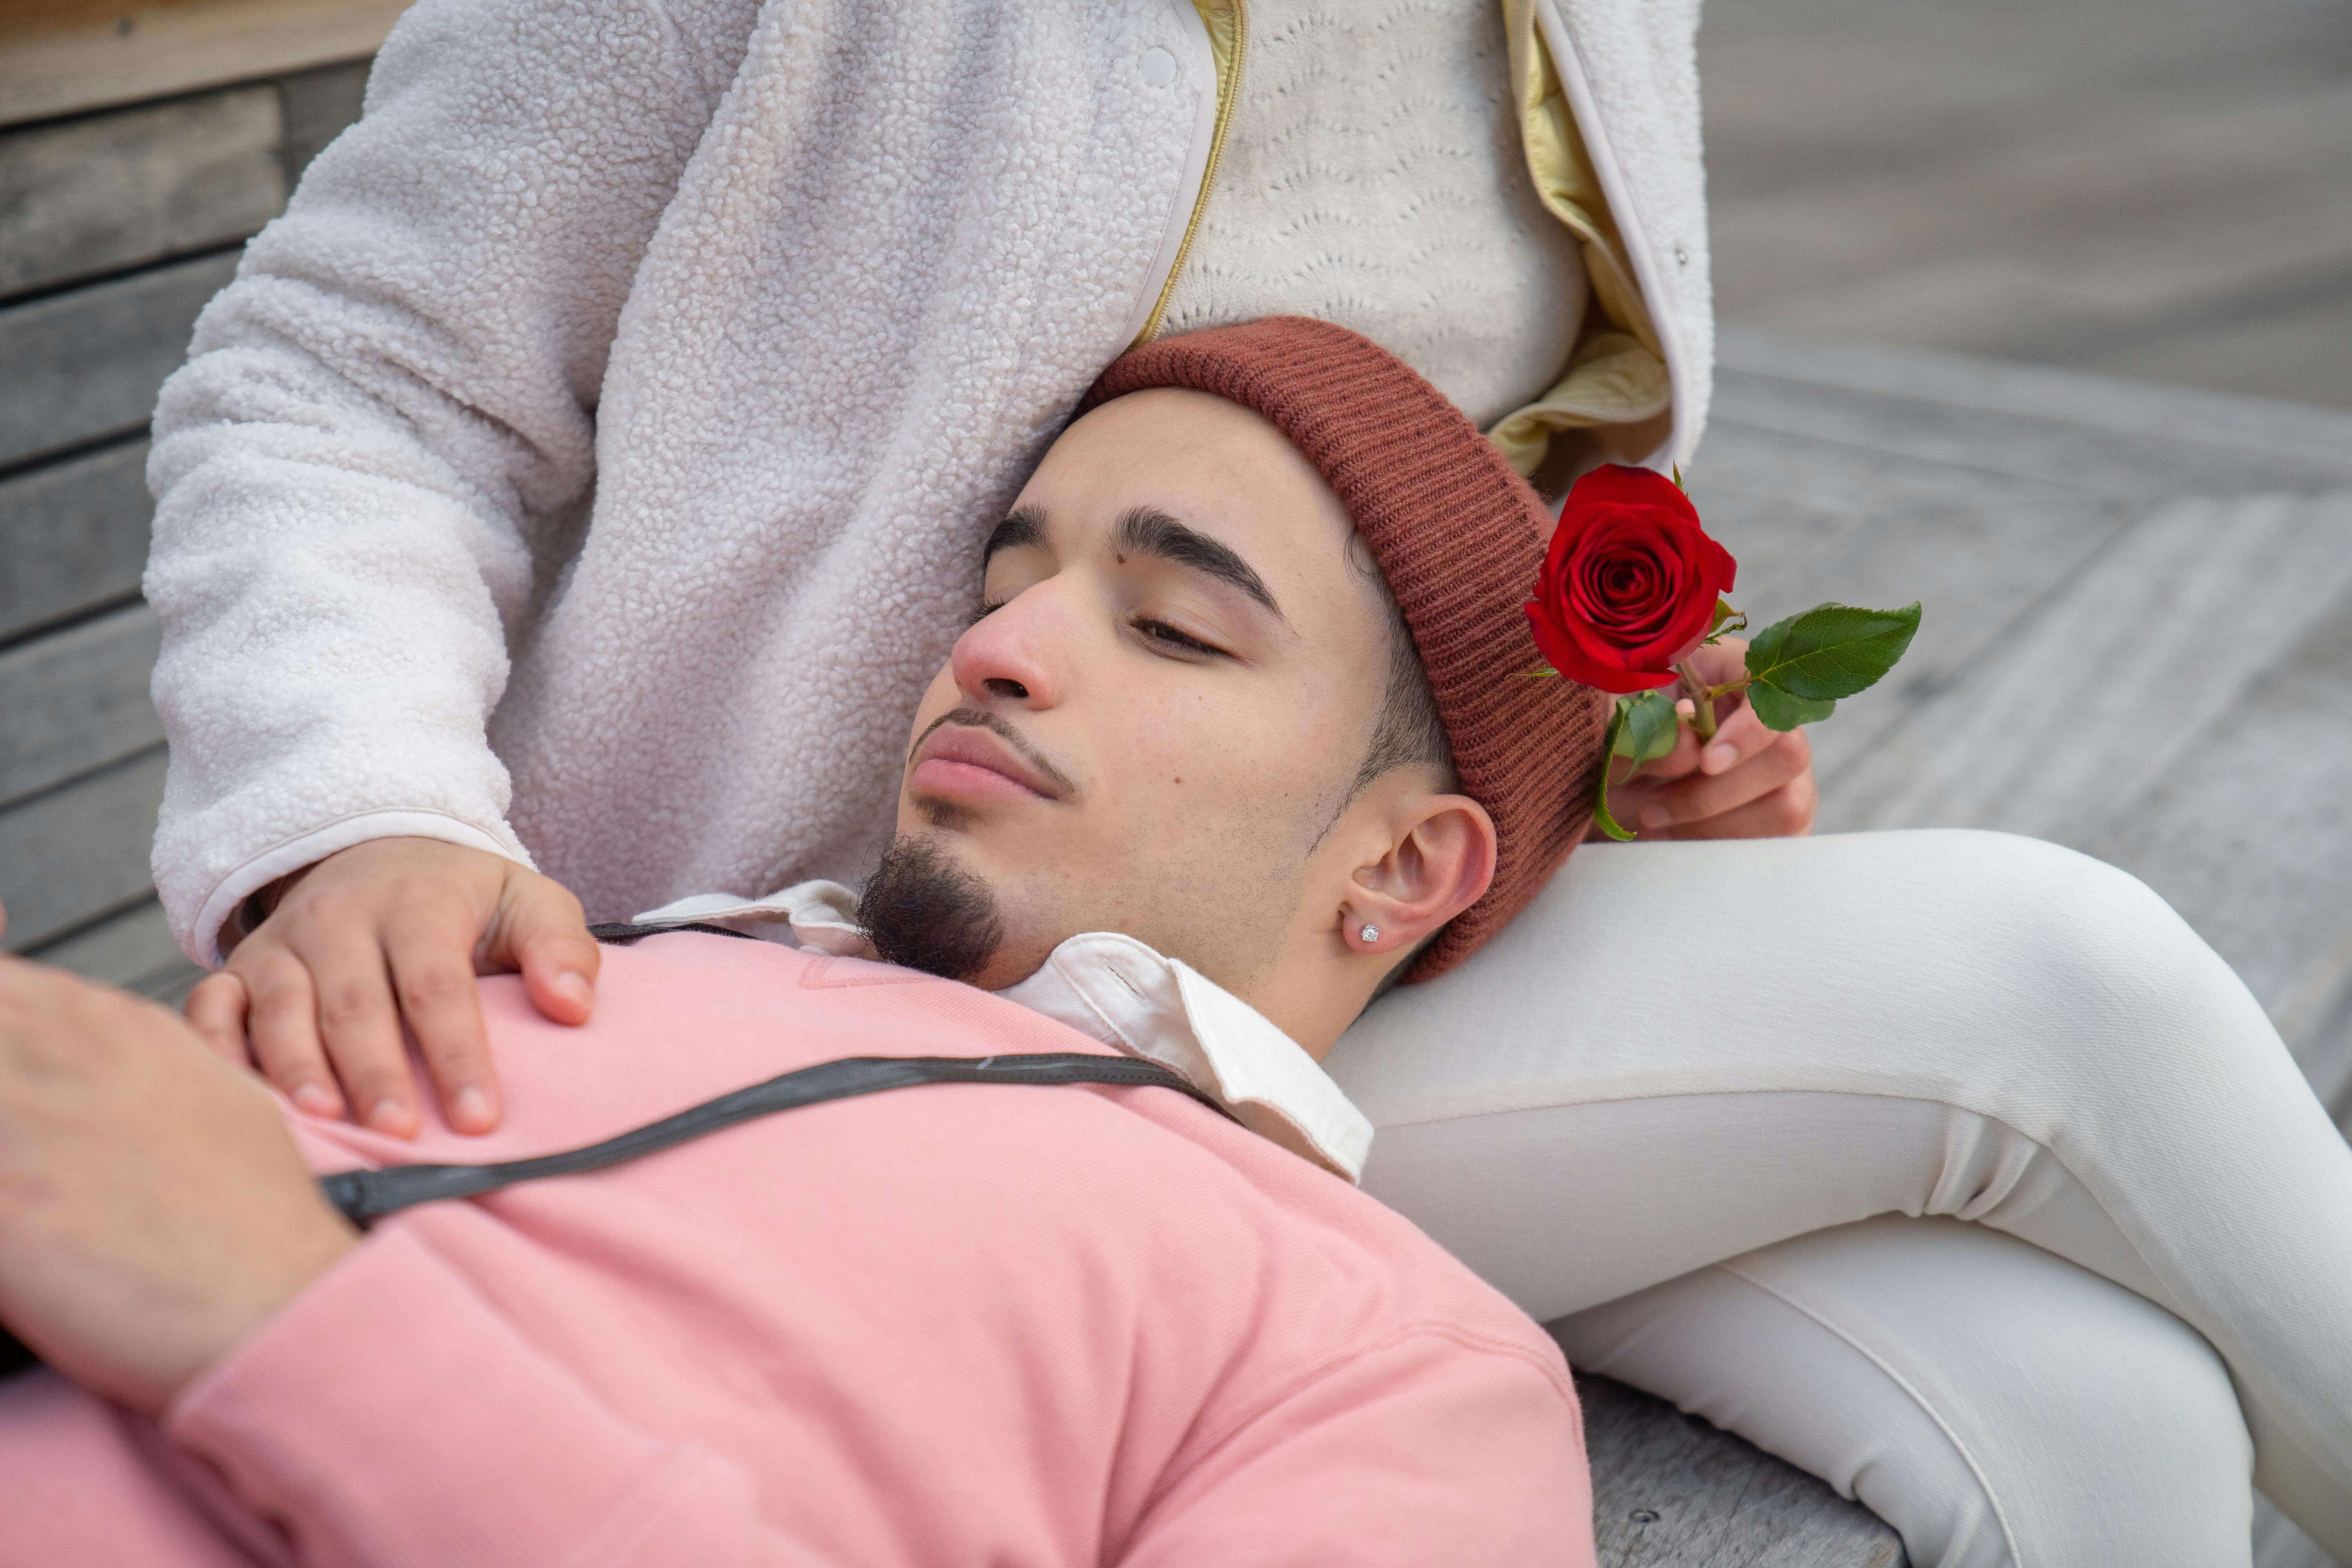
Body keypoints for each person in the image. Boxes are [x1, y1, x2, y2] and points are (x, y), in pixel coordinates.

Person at [132, 0, 2343, 1555]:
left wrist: (1598, 745)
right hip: (836, 977)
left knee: (2095, 1407)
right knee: (2054, 976)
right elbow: (356, 365)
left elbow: (1489, 455)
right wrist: (352, 799)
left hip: (1309, 920)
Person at [1, 324, 1646, 1564]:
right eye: (1005, 581)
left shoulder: (1388, 1358)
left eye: (1172, 626)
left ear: (1406, 859)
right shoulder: (563, 934)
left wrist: (293, 1329)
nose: (995, 647)